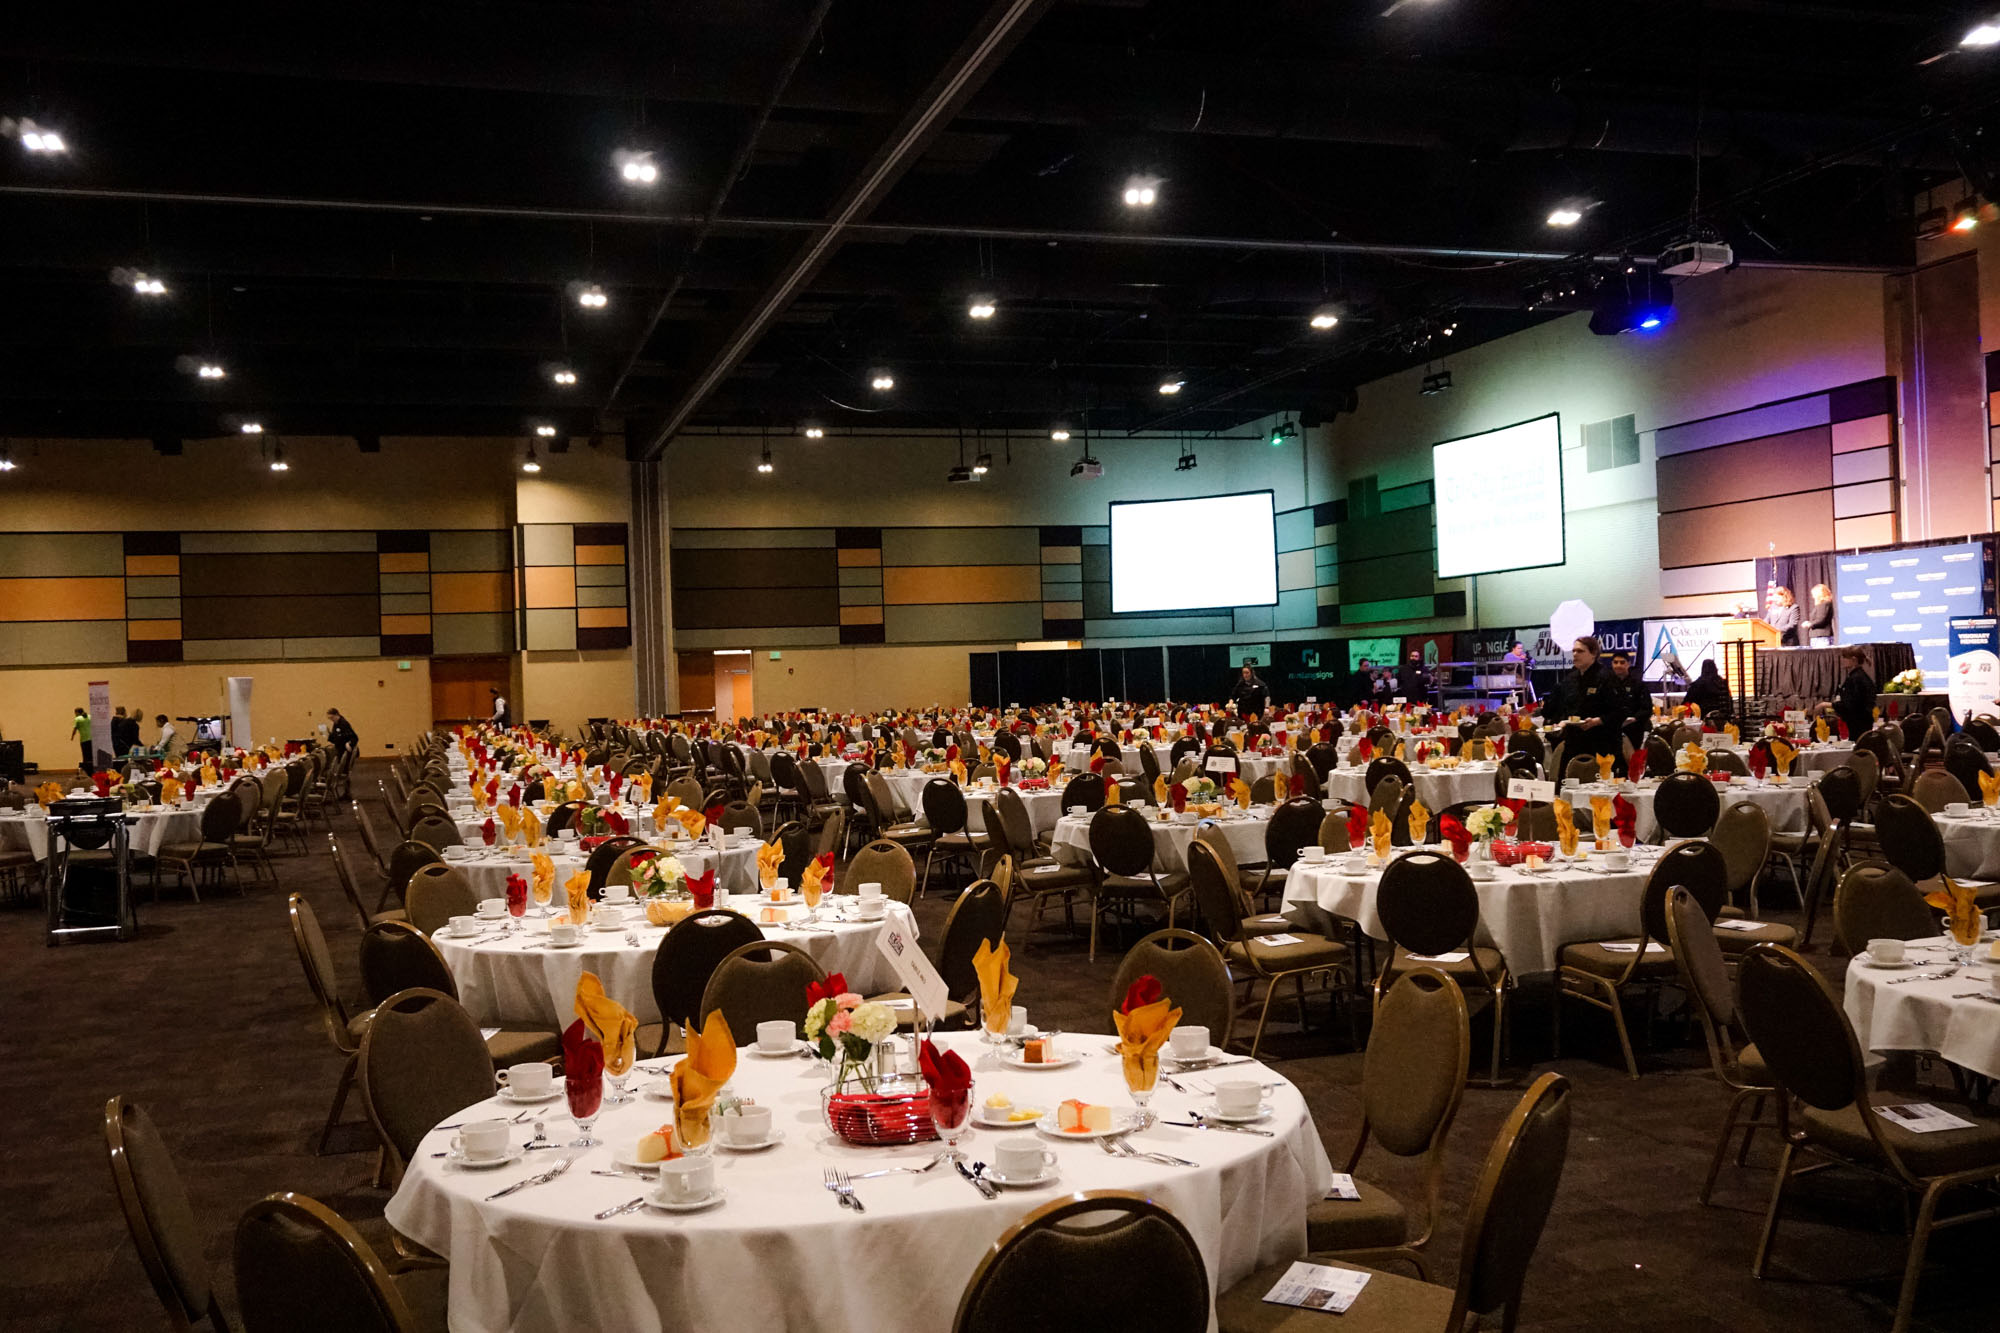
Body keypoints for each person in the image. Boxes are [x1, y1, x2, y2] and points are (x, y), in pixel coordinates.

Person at [1540, 636, 1622, 758]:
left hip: (1601, 743)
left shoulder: (1607, 677)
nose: (1575, 654)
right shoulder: (1570, 679)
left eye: (1580, 651)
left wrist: (1598, 721)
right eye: (1573, 651)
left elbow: (1620, 711)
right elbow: (1564, 709)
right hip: (1573, 742)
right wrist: (1561, 723)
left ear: (1593, 654)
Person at [1607, 650, 1654, 749]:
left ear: (1629, 664)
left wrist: (1634, 718)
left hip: (1634, 730)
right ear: (1611, 664)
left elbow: (1647, 709)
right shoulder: (1606, 684)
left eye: (1622, 662)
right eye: (1615, 662)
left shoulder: (1638, 685)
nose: (1618, 665)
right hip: (1612, 730)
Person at [1829, 646, 1876, 740]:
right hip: (1863, 724)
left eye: (1844, 657)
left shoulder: (1855, 679)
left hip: (1856, 726)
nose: (1841, 660)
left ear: (1853, 660)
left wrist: (1826, 705)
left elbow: (1850, 705)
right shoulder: (1861, 676)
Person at [1806, 583, 1835, 647]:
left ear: (1819, 594)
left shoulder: (1824, 604)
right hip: (1818, 637)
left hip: (1821, 637)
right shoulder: (1821, 605)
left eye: (1814, 594)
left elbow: (1821, 620)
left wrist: (1810, 624)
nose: (1813, 596)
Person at [70, 706, 92, 771]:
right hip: (92, 739)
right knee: (91, 755)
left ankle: (87, 769)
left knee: (85, 755)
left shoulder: (78, 719)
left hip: (84, 739)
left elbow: (75, 729)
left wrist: (72, 737)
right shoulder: (90, 717)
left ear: (77, 712)